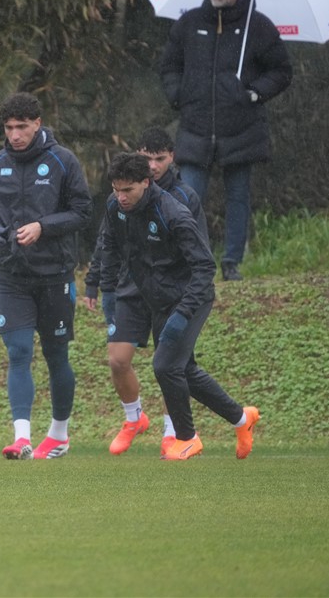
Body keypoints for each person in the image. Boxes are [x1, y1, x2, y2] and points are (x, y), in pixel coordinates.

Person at [98, 152, 260, 460]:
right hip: (158, 299)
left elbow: (205, 267)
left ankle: (186, 437)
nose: (121, 197)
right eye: (116, 189)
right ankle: (242, 418)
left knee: (165, 366)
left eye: (128, 190)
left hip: (192, 297)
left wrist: (183, 314)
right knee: (184, 370)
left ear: (146, 183)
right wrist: (108, 292)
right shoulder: (115, 207)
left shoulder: (172, 213)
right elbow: (110, 246)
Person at [159, 0, 293, 282]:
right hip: (195, 129)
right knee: (187, 199)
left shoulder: (258, 27)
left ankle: (231, 262)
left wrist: (255, 93)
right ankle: (188, 262)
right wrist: (178, 95)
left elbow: (281, 71)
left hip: (242, 129)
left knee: (238, 198)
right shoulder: (189, 23)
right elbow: (169, 66)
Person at [84, 127, 210, 456]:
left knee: (170, 365)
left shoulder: (182, 199)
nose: (153, 165)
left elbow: (200, 256)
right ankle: (134, 418)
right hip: (131, 287)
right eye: (146, 158)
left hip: (170, 292)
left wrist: (187, 302)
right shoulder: (119, 198)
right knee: (117, 359)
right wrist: (97, 282)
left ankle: (173, 431)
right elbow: (107, 241)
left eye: (160, 159)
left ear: (172, 158)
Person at [0, 92, 93, 460]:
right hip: (11, 274)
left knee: (56, 354)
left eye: (22, 127)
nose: (14, 135)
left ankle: (59, 434)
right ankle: (22, 438)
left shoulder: (62, 161)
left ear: (37, 124)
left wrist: (43, 227)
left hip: (54, 274)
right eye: (9, 128)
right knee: (18, 351)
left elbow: (82, 212)